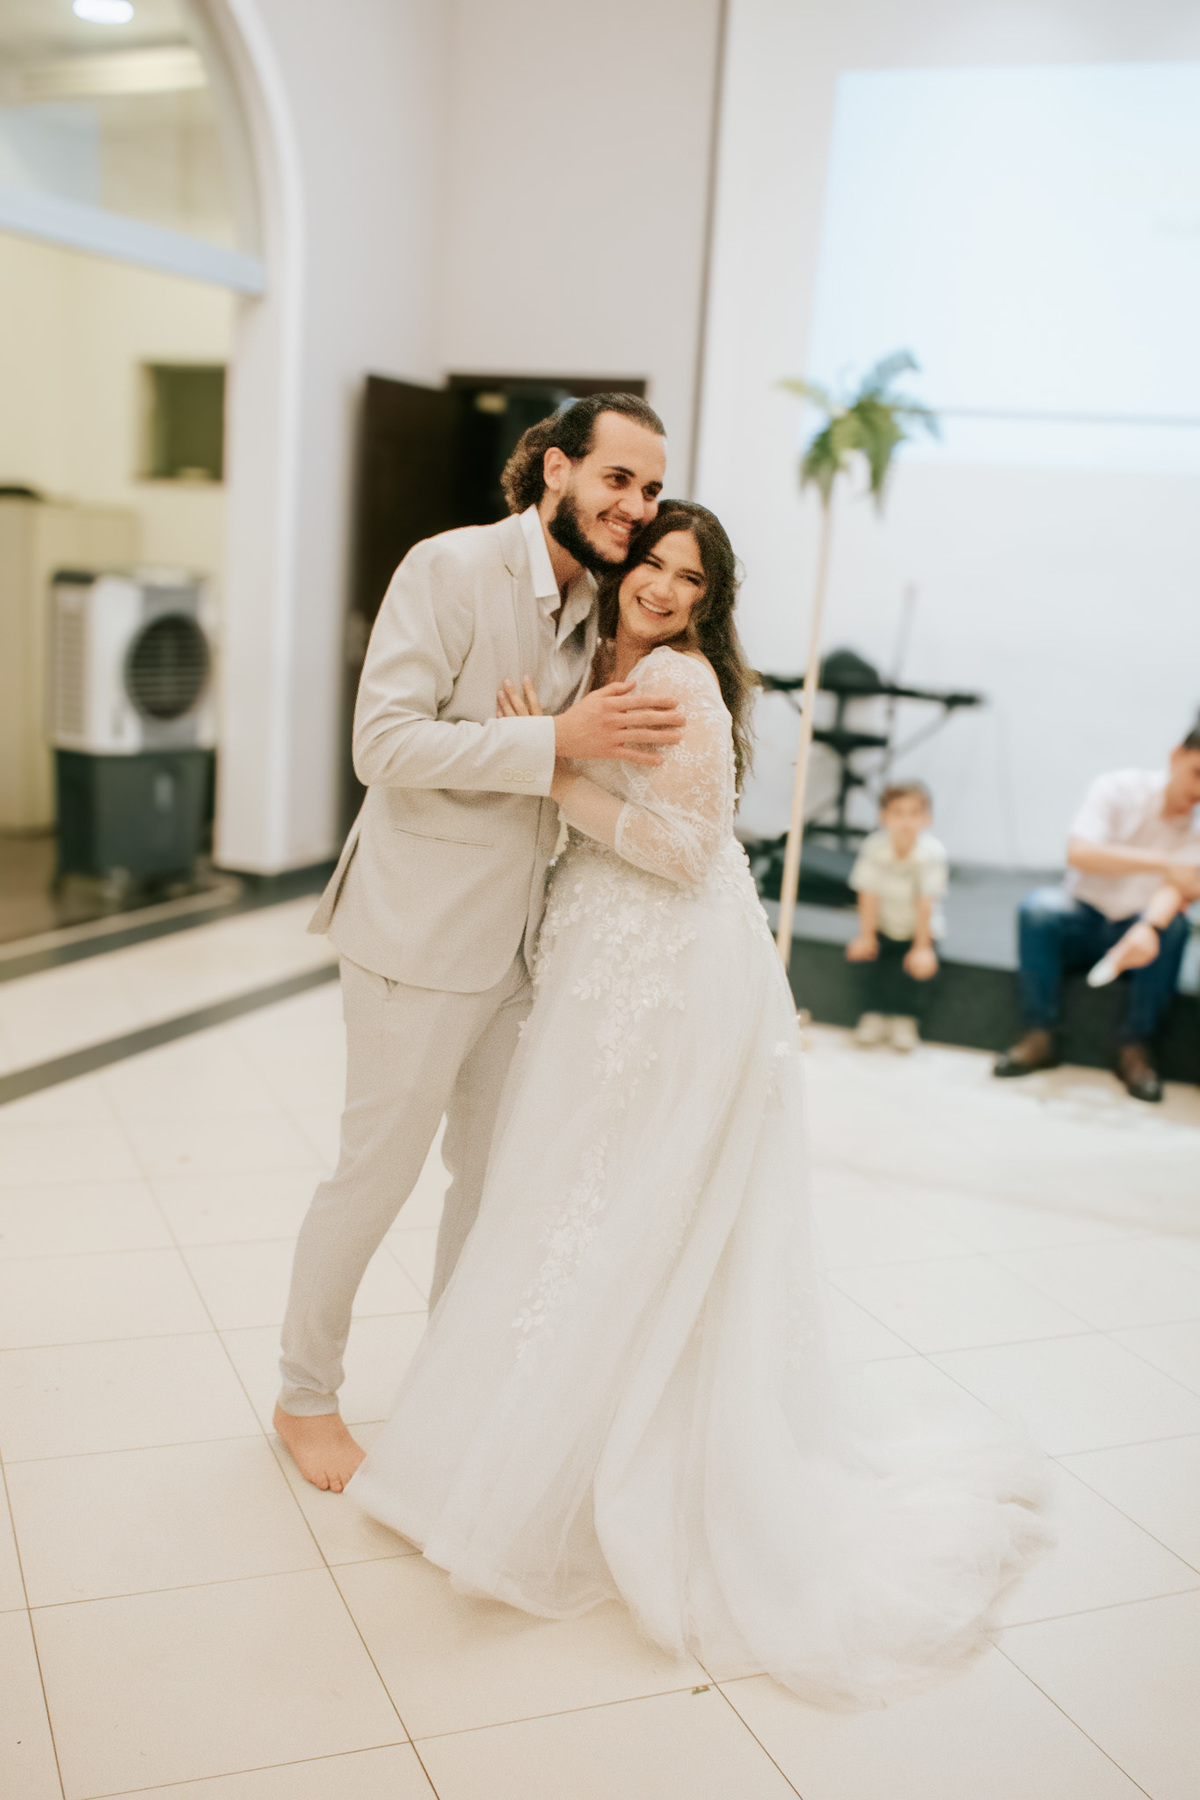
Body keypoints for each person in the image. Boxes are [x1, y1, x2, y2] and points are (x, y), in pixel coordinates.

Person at [349, 502, 1047, 1709]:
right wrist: (544, 747)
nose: (664, 587)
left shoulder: (681, 682)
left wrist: (551, 769)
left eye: (691, 578)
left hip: (667, 975)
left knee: (623, 1207)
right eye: (653, 564)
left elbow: (684, 849)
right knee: (576, 1202)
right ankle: (542, 1440)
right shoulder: (592, 664)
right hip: (603, 960)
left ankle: (601, 1466)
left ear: (709, 604)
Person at [275, 394, 682, 1492]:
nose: (635, 506)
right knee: (375, 1178)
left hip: (523, 944)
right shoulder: (449, 568)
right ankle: (303, 1397)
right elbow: (382, 744)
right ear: (556, 470)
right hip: (417, 931)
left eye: (650, 489)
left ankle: (447, 1392)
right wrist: (546, 737)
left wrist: (555, 743)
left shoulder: (600, 603)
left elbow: (562, 766)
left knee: (491, 1184)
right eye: (617, 479)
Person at [995, 725, 1200, 1101]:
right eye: (1197, 773)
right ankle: (1039, 1034)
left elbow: (1183, 887)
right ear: (1176, 756)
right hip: (1082, 913)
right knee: (1037, 911)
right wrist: (1164, 862)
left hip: (1138, 926)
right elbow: (1080, 853)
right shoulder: (1119, 788)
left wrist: (1150, 926)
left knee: (1175, 928)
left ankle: (1135, 1048)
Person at [845, 780, 947, 1051]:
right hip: (883, 924)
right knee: (870, 960)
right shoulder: (874, 847)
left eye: (914, 814)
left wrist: (922, 946)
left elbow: (926, 902)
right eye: (898, 813)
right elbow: (868, 893)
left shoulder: (932, 854)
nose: (906, 822)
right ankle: (872, 1013)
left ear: (927, 819)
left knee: (919, 968)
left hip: (918, 929)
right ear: (883, 817)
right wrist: (866, 935)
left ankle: (906, 1018)